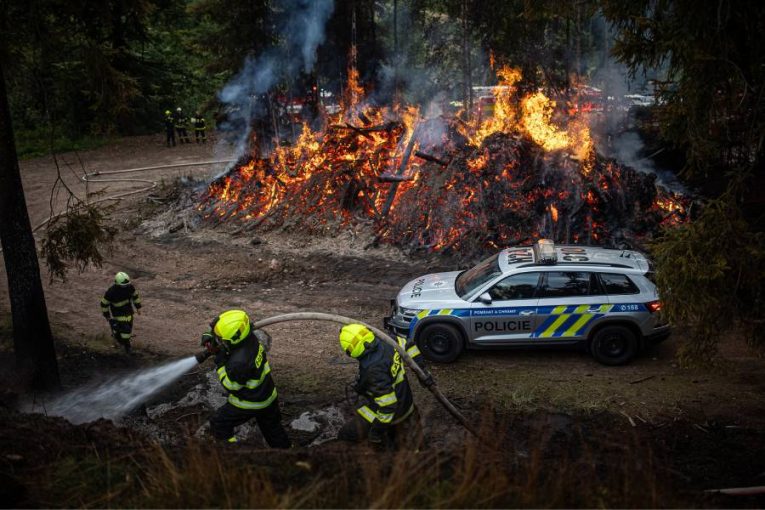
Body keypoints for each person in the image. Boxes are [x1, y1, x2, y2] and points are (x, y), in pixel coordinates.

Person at [200, 310, 291, 447]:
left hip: (250, 402)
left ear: (233, 340)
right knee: (273, 430)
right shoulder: (250, 338)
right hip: (268, 395)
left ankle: (232, 451)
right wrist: (209, 335)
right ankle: (288, 453)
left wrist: (220, 362)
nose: (218, 341)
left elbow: (231, 386)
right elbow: (224, 329)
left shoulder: (239, 363)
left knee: (220, 423)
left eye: (220, 339)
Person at [337, 324, 423, 448]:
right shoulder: (387, 340)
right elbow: (408, 344)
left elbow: (388, 406)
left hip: (395, 415)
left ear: (351, 351)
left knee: (346, 434)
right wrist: (422, 370)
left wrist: (377, 431)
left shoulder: (372, 370)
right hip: (407, 404)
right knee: (414, 444)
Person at [101, 272, 142, 353]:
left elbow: (135, 296)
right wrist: (107, 315)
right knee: (126, 331)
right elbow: (104, 304)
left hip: (129, 313)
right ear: (117, 283)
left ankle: (118, 335)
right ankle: (127, 347)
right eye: (123, 285)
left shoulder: (130, 287)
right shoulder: (111, 292)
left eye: (127, 284)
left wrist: (138, 307)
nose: (125, 286)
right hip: (118, 314)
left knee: (128, 330)